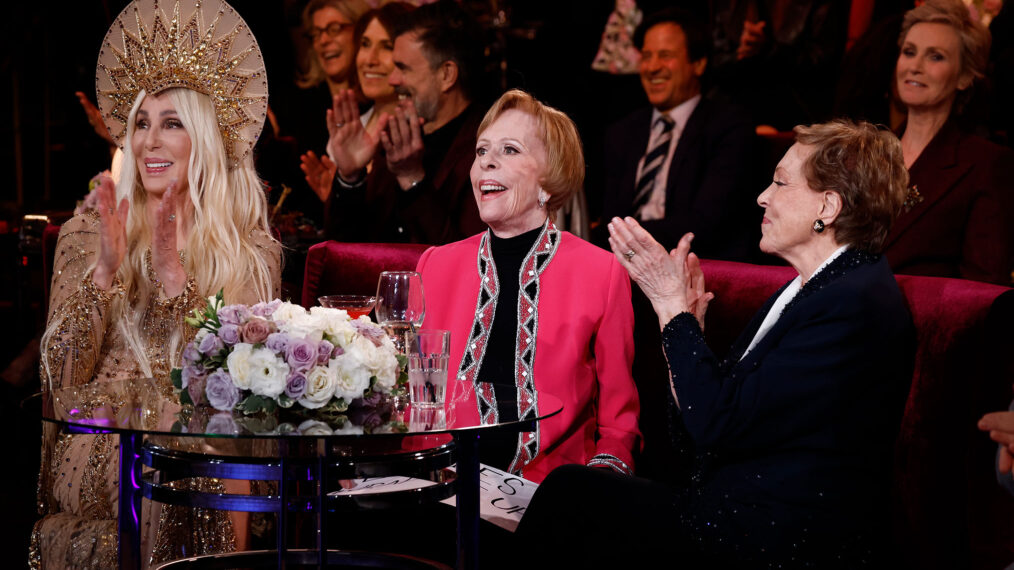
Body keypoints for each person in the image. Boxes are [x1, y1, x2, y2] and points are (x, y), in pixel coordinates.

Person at [516, 120, 915, 568]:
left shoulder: (853, 302)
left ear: (828, 204)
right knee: (572, 494)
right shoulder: (816, 286)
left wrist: (671, 310)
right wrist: (687, 332)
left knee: (573, 493)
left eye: (781, 182)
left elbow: (715, 423)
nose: (763, 196)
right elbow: (701, 433)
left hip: (777, 537)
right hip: (732, 510)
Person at [30, 0, 281, 567]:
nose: (148, 141)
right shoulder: (90, 231)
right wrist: (103, 274)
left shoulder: (251, 249)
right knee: (176, 457)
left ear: (206, 139)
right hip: (102, 439)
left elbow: (244, 390)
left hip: (203, 438)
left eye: (171, 124)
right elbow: (58, 377)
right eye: (141, 123)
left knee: (206, 451)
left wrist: (175, 285)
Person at [416, 89, 641, 481]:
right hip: (440, 483)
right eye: (482, 150)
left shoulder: (601, 273)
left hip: (550, 494)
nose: (487, 161)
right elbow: (414, 403)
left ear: (548, 181)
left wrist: (597, 487)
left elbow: (619, 425)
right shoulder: (436, 265)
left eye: (509, 150)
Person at [597, 7, 757, 261]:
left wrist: (628, 238)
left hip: (698, 267)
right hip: (623, 266)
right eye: (646, 56)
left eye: (665, 55)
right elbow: (609, 220)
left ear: (699, 63)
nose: (652, 67)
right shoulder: (621, 132)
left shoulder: (729, 127)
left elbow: (708, 223)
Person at [323, 0, 486, 244]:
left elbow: (469, 264)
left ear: (446, 75)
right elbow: (347, 252)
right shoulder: (397, 135)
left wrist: (413, 181)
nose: (393, 79)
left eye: (403, 68)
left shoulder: (488, 152)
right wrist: (350, 178)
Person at [884, 0, 1014, 285]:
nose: (915, 67)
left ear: (965, 77)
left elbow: (984, 288)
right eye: (909, 52)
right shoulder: (864, 153)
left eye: (936, 57)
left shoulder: (985, 163)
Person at [300, 1, 411, 203]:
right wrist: (337, 198)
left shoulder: (421, 131)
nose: (370, 59)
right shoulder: (348, 131)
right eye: (365, 44)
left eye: (386, 46)